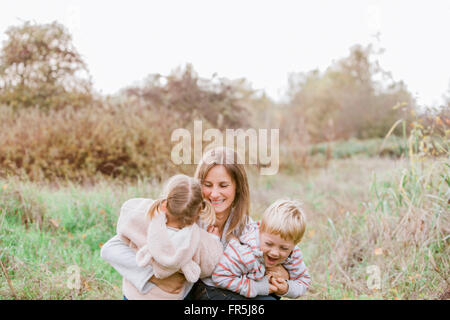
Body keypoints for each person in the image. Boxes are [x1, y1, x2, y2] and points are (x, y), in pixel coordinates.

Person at [101, 147, 289, 300]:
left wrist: (278, 273)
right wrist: (154, 276)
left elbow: (267, 255)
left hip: (211, 292)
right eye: (207, 185)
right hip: (167, 293)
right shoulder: (181, 214)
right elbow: (111, 248)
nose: (214, 194)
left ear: (238, 188)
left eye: (223, 186)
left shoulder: (245, 226)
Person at [116, 174, 223, 299]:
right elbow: (209, 267)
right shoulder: (200, 241)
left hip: (134, 294)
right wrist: (215, 239)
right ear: (199, 210)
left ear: (164, 204)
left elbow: (123, 229)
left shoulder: (143, 220)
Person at [211, 199, 311, 299]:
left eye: (284, 248)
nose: (275, 253)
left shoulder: (293, 253)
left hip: (257, 287)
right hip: (220, 291)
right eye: (269, 244)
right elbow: (219, 276)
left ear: (295, 244)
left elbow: (303, 281)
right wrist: (258, 287)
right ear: (260, 232)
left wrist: (287, 288)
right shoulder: (245, 253)